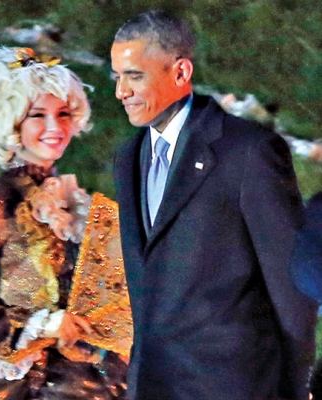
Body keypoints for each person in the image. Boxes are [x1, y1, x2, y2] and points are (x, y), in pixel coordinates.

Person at [110, 10, 317, 400]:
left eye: (134, 76)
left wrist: (294, 386)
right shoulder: (127, 158)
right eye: (116, 77)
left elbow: (290, 287)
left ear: (180, 72)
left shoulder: (248, 151)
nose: (121, 91)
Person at [0, 46, 131, 400]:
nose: (55, 127)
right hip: (30, 381)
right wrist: (41, 324)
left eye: (63, 113)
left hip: (94, 373)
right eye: (38, 115)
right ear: (12, 124)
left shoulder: (73, 199)